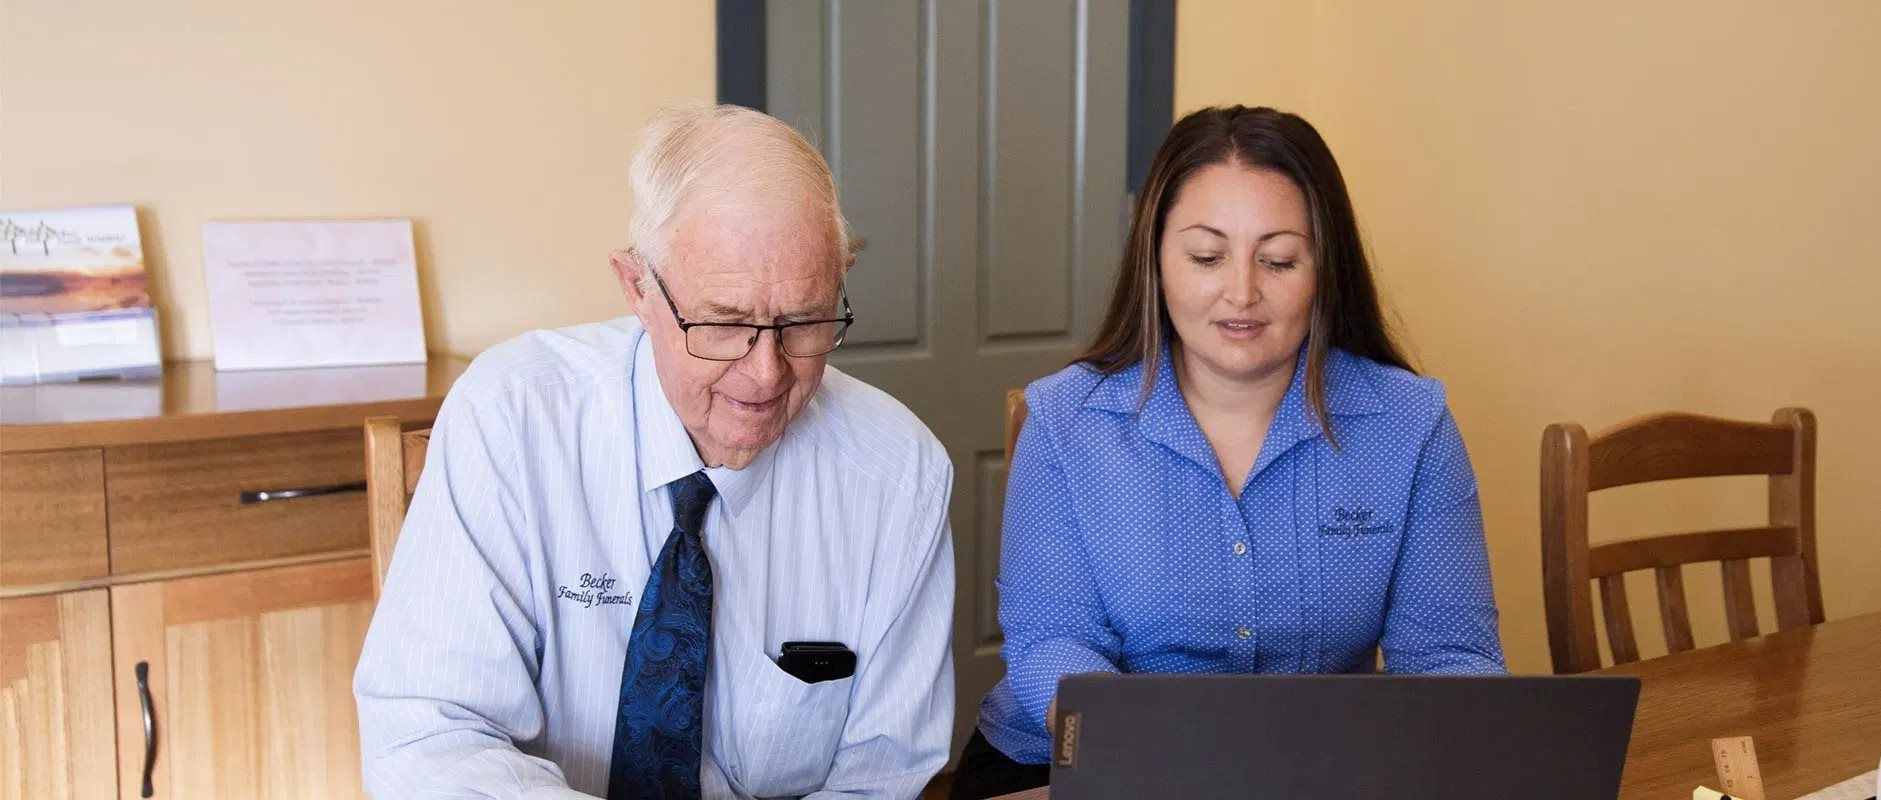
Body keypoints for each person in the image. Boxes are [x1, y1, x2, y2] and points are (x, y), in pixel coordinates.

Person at [354, 105, 955, 799]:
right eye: (723, 325)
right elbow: (428, 738)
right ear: (637, 288)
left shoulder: (898, 473)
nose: (766, 372)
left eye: (804, 322)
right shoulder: (514, 418)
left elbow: (885, 771)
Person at [950, 106, 1506, 800]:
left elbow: (1450, 658)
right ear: (1155, 259)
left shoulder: (1411, 425)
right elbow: (1050, 644)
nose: (1242, 292)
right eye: (1208, 256)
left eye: (1278, 260)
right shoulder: (1067, 421)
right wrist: (1169, 767)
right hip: (1075, 764)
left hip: (1325, 775)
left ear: (1324, 269)